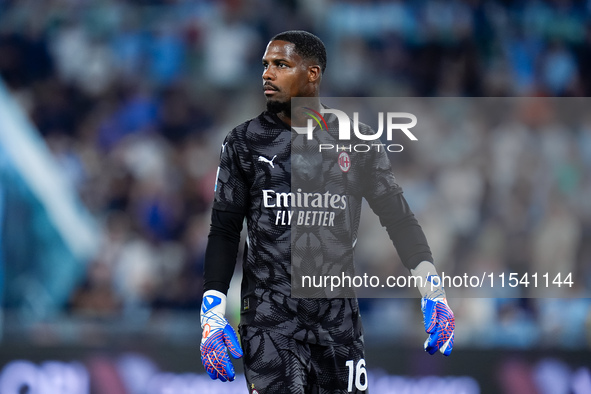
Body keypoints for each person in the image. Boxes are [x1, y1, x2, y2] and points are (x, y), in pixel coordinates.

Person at [199, 30, 455, 394]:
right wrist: (212, 312)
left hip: (338, 325)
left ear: (313, 74)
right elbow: (224, 231)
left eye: (281, 65)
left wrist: (434, 292)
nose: (267, 74)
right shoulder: (242, 142)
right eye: (265, 65)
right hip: (269, 323)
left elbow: (399, 219)